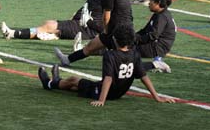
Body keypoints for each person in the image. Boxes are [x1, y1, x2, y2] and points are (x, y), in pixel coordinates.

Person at [38, 24, 175, 106]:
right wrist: (157, 97)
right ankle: (58, 80)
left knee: (74, 80)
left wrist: (101, 100)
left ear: (115, 40)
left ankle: (51, 83)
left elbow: (108, 79)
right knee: (77, 86)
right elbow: (143, 76)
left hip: (107, 93)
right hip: (119, 92)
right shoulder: (134, 53)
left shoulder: (110, 55)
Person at [55, 0, 133, 67]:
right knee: (90, 47)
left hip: (120, 31)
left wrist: (105, 32)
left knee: (125, 58)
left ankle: (153, 65)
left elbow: (106, 17)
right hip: (118, 27)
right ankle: (67, 59)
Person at [2, 0, 105, 50]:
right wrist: (77, 15)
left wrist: (96, 29)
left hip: (87, 29)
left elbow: (106, 19)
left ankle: (11, 33)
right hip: (79, 23)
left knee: (49, 25)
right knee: (49, 25)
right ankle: (55, 34)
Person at [134, 0, 176, 73]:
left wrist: (136, 40)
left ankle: (155, 64)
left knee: (126, 52)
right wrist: (133, 36)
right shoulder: (159, 14)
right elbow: (145, 30)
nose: (149, 3)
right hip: (157, 44)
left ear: (158, 2)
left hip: (158, 47)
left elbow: (153, 35)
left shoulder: (162, 17)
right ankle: (155, 63)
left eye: (151, 1)